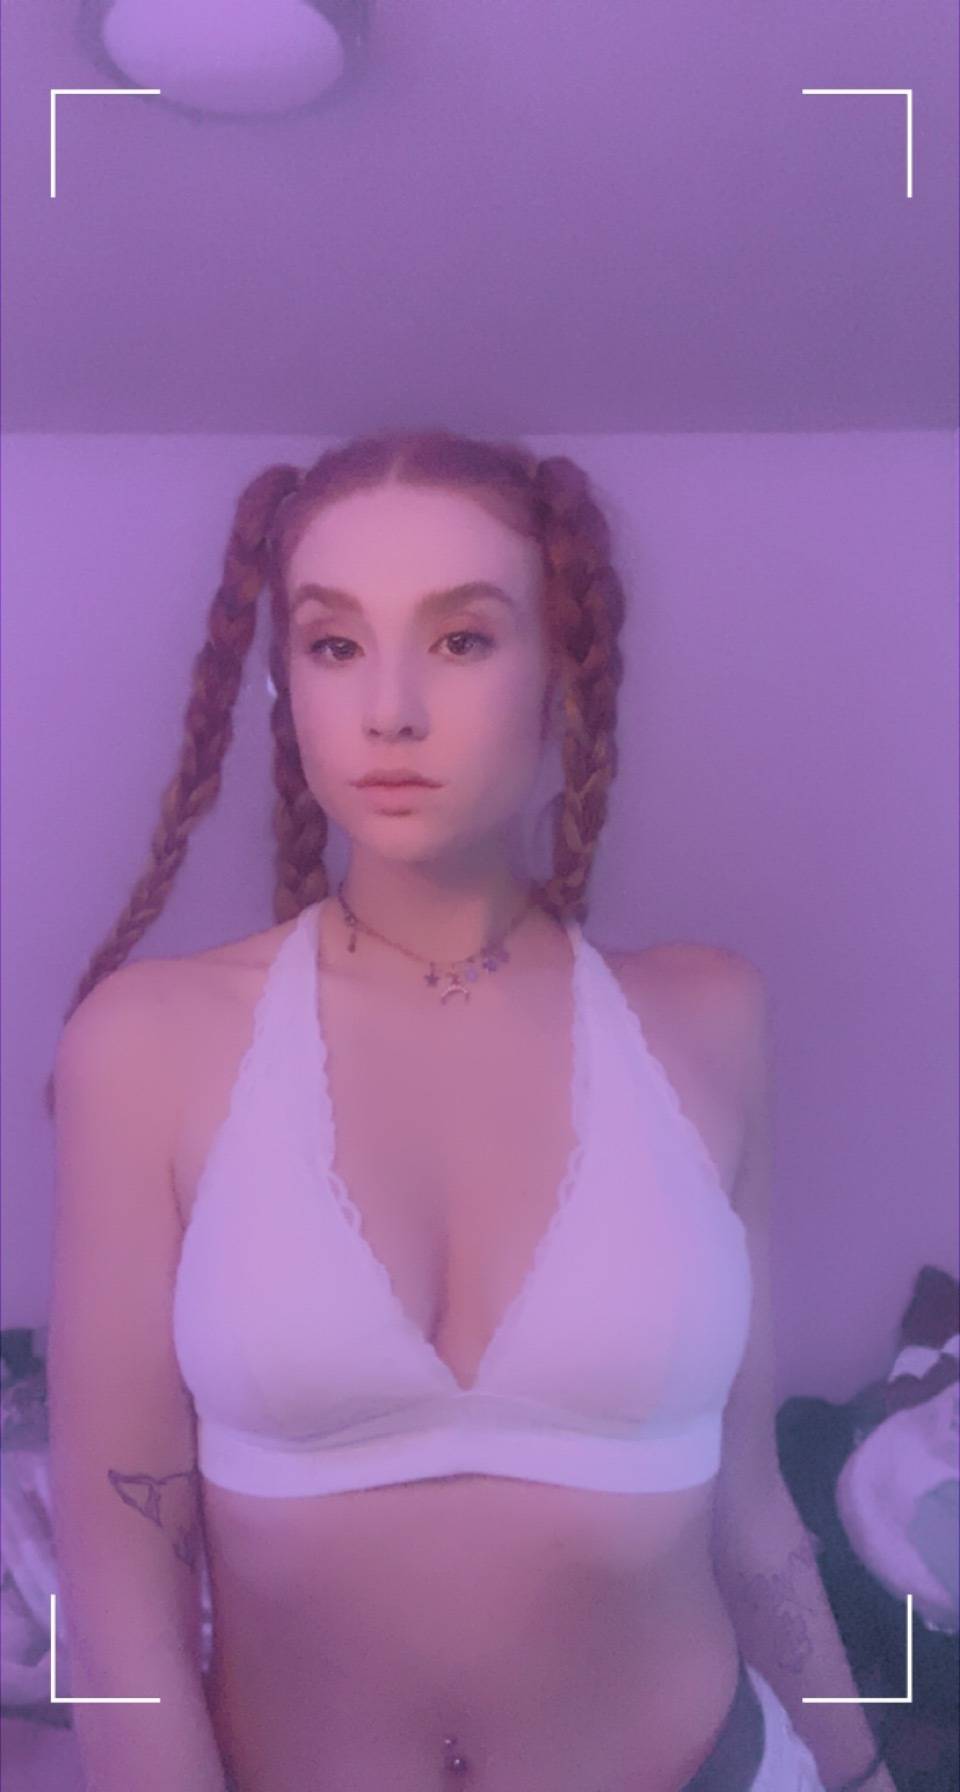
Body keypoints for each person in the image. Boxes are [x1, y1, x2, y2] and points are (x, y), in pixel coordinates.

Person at [46, 429, 890, 1791]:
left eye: (460, 640)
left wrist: (861, 1769)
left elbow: (752, 1510)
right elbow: (113, 1560)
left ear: (559, 672)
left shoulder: (707, 1020)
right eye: (334, 645)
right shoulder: (146, 1045)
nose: (389, 709)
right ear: (286, 686)